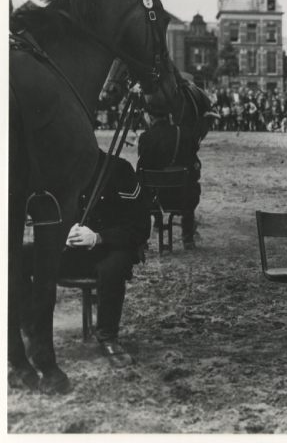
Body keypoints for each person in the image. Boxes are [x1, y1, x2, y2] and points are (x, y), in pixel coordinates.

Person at [58, 150, 150, 367]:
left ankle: (108, 337)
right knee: (21, 258)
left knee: (111, 270)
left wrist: (99, 238)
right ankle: (28, 329)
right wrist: (63, 235)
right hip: (75, 249)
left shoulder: (119, 169)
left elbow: (140, 227)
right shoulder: (62, 168)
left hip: (113, 247)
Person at [137, 110, 202, 250]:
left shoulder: (146, 137)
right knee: (190, 183)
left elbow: (141, 170)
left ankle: (142, 241)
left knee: (140, 191)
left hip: (156, 200)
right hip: (183, 198)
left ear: (150, 117)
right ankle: (188, 238)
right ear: (169, 116)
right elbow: (195, 159)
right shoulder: (184, 133)